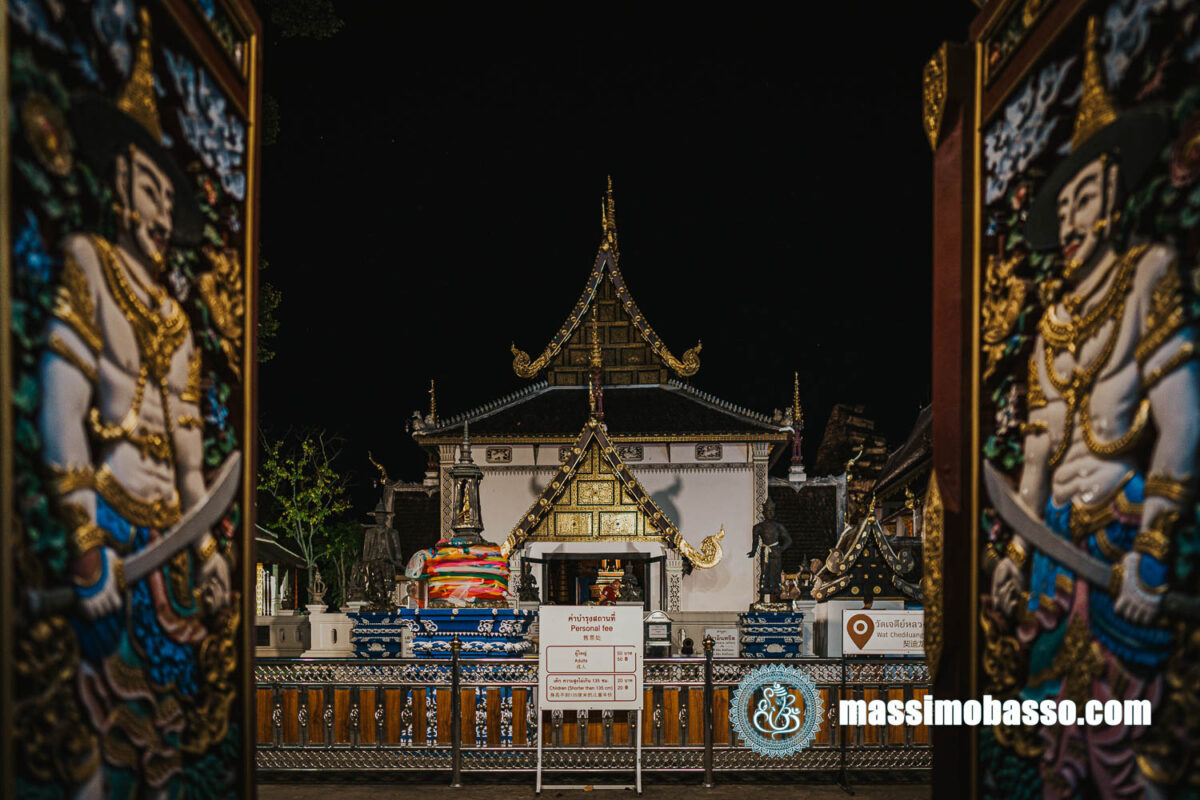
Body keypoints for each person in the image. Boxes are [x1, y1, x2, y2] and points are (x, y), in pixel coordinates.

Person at [990, 18, 1198, 796]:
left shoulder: (1147, 275)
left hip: (1123, 544)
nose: (1071, 220)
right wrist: (1013, 556)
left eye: (1084, 197)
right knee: (1054, 754)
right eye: (1064, 202)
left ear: (1113, 193)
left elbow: (1181, 422)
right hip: (1053, 560)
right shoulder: (1050, 327)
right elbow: (1037, 458)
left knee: (1132, 753)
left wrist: (1152, 549)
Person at [39, 11, 234, 797]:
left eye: (167, 197)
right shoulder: (89, 265)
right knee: (93, 721)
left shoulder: (181, 326)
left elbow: (192, 463)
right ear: (120, 186)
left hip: (171, 544)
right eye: (150, 190)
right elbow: (61, 403)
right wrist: (84, 535)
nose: (160, 214)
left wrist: (212, 552)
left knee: (163, 734)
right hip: (111, 527)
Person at [747, 498, 792, 601]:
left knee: (776, 573)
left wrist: (780, 549)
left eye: (772, 511)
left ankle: (777, 596)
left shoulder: (778, 526)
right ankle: (762, 597)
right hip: (765, 551)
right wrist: (753, 551)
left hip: (776, 551)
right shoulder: (758, 527)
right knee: (764, 573)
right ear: (763, 512)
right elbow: (755, 541)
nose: (770, 513)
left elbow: (789, 540)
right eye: (768, 511)